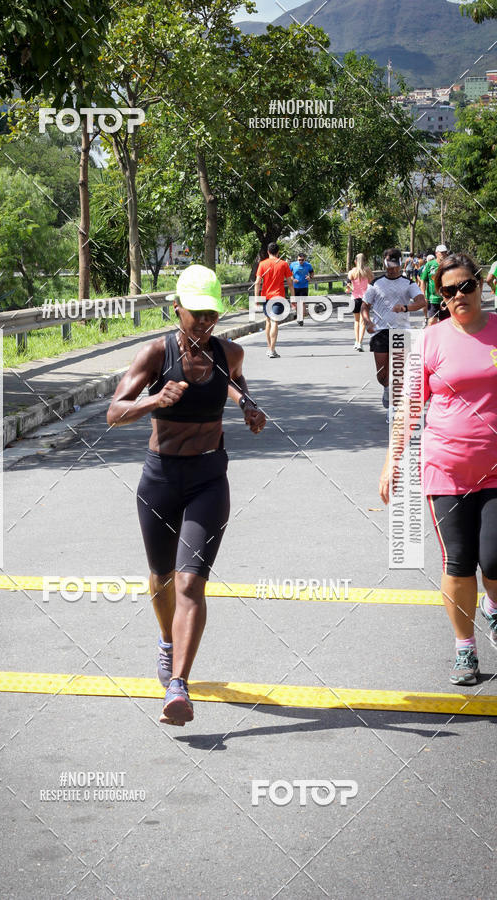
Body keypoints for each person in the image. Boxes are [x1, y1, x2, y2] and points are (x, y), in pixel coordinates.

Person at [106, 264, 266, 725]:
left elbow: (237, 386)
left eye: (211, 313)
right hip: (159, 479)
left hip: (208, 479)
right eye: (195, 312)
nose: (203, 321)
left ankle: (178, 686)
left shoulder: (229, 352)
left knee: (190, 581)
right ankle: (167, 641)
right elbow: (114, 412)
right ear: (176, 308)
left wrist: (249, 408)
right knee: (160, 578)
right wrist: (154, 401)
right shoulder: (156, 353)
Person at [380, 252, 497, 685]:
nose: (459, 296)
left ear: (480, 285)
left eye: (466, 286)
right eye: (449, 291)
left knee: (495, 557)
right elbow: (410, 405)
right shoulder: (430, 341)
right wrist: (392, 460)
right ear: (441, 296)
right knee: (460, 561)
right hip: (446, 468)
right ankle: (465, 648)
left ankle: (493, 606)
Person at [360, 248, 426, 421]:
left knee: (398, 373)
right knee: (382, 375)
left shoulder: (408, 283)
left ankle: (393, 410)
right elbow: (364, 306)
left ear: (399, 265)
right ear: (384, 263)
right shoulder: (375, 284)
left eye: (395, 266)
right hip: (380, 332)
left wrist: (405, 307)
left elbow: (421, 302)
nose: (392, 269)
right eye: (389, 265)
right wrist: (367, 322)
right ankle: (386, 389)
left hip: (401, 332)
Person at [254, 242, 295, 356]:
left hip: (266, 297)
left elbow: (257, 282)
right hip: (278, 297)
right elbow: (290, 283)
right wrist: (293, 298)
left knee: (268, 321)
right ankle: (272, 350)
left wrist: (257, 298)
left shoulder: (262, 264)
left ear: (268, 252)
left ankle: (270, 348)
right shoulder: (283, 264)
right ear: (278, 252)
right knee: (274, 321)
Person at [346, 252, 373, 351]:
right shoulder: (368, 271)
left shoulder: (351, 272)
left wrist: (349, 289)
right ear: (364, 261)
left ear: (355, 261)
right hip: (365, 299)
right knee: (363, 322)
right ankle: (360, 343)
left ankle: (356, 342)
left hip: (355, 299)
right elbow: (372, 283)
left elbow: (348, 286)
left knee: (356, 321)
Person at [420, 244, 449, 325]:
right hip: (433, 298)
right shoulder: (429, 264)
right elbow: (423, 280)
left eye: (445, 252)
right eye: (441, 253)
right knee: (432, 321)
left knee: (446, 322)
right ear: (436, 253)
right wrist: (423, 295)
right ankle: (430, 336)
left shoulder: (449, 265)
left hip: (446, 298)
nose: (443, 254)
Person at [289, 251, 314, 326]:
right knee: (297, 303)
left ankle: (301, 319)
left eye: (302, 260)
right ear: (297, 259)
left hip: (304, 286)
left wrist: (310, 277)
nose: (301, 261)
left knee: (302, 302)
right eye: (299, 260)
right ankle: (299, 316)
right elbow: (289, 274)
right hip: (295, 286)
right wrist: (293, 279)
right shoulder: (293, 264)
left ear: (305, 259)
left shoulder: (308, 265)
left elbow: (312, 273)